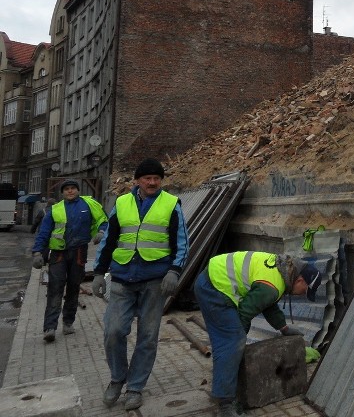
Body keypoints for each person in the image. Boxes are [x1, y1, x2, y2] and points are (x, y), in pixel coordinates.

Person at [92, 158, 189, 411]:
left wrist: (174, 271)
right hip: (122, 279)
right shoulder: (122, 203)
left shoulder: (171, 204)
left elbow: (182, 242)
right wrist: (98, 273)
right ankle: (117, 378)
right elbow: (109, 240)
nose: (153, 182)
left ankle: (135, 387)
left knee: (147, 337)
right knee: (113, 331)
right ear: (137, 181)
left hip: (154, 281)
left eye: (157, 178)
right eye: (147, 178)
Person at [193, 250, 322, 417]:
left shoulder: (281, 272)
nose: (303, 294)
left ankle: (226, 382)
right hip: (213, 287)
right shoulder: (273, 286)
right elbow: (245, 313)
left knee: (230, 342)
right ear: (299, 279)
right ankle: (225, 405)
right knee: (232, 341)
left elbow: (267, 304)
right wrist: (238, 344)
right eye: (305, 290)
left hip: (211, 279)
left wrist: (283, 328)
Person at [31, 181, 107, 342]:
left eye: (73, 188)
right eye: (66, 189)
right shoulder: (55, 210)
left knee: (73, 288)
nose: (70, 191)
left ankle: (68, 323)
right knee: (55, 288)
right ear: (62, 193)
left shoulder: (89, 204)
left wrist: (102, 231)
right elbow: (44, 232)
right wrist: (37, 252)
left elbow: (103, 219)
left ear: (78, 191)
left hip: (79, 252)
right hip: (58, 254)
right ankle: (50, 327)